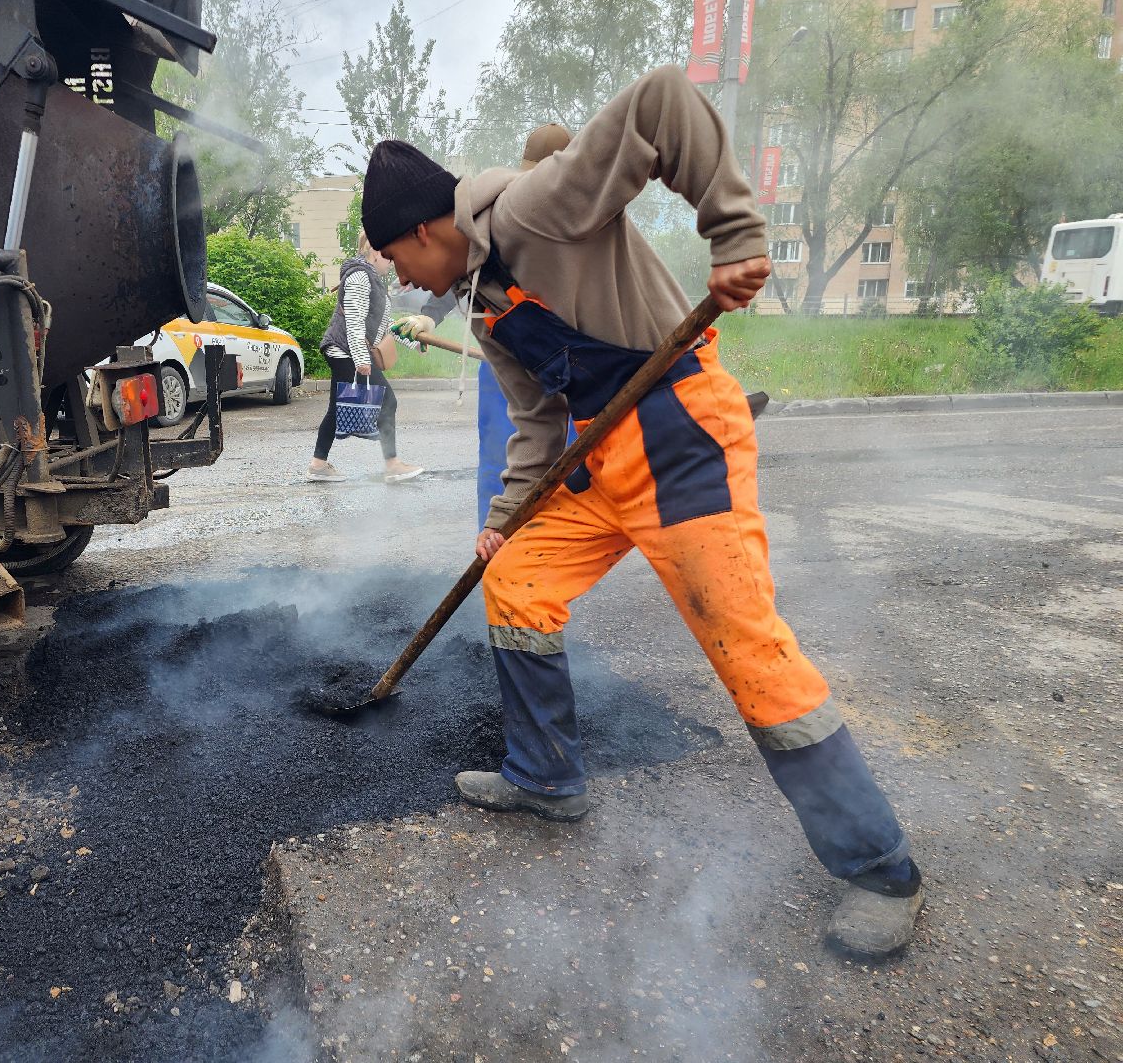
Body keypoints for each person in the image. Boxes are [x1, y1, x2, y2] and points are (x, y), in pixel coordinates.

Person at [359, 65, 923, 959]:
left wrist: (733, 230)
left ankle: (880, 869)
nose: (400, 277)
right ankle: (546, 777)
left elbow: (662, 103)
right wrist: (510, 513)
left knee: (748, 649)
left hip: (679, 435)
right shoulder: (485, 304)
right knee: (516, 578)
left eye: (394, 259)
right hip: (598, 460)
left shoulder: (534, 209)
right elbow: (540, 425)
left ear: (424, 230)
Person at [390, 121, 766, 529]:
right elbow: (465, 272)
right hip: (510, 374)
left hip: (572, 378)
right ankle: (507, 542)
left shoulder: (582, 216)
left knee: (575, 470)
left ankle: (548, 542)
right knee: (505, 461)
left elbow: (639, 304)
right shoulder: (498, 217)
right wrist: (431, 312)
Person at [307, 235, 425, 483]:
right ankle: (392, 465)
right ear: (373, 251)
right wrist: (362, 359)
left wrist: (413, 341)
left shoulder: (372, 279)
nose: (392, 263)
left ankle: (318, 464)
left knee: (337, 409)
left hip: (344, 350)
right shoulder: (360, 276)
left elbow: (383, 326)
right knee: (388, 401)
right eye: (389, 256)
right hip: (345, 350)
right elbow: (354, 321)